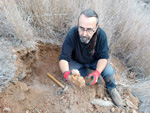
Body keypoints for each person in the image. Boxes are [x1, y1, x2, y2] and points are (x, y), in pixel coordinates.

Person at [59, 9, 122, 107]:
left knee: (109, 73)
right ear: (78, 25)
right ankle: (87, 72)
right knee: (71, 73)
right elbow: (63, 58)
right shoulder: (72, 34)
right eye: (81, 28)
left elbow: (103, 58)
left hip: (94, 61)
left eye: (89, 29)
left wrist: (97, 73)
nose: (84, 34)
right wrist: (66, 74)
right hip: (77, 61)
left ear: (96, 28)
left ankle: (111, 88)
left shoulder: (101, 36)